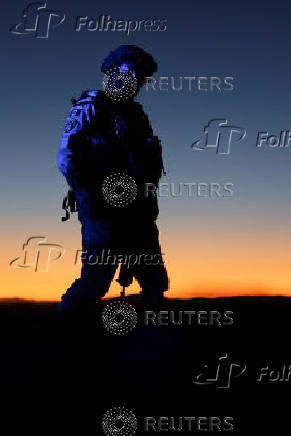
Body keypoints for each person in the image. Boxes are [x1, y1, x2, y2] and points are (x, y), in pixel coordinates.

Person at [57, 45, 168, 316]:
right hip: (102, 209)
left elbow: (147, 162)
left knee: (154, 279)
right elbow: (67, 157)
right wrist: (90, 198)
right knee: (96, 281)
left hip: (138, 210)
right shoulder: (92, 106)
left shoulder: (137, 116)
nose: (138, 82)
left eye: (142, 78)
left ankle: (148, 346)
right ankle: (64, 337)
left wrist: (148, 202)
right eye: (134, 74)